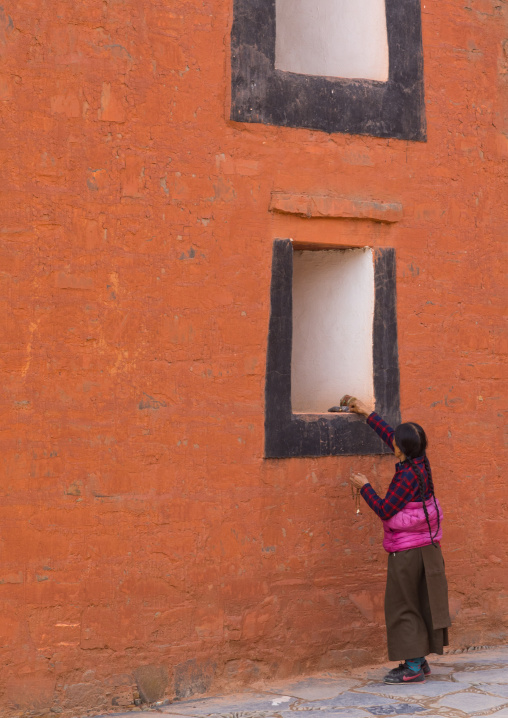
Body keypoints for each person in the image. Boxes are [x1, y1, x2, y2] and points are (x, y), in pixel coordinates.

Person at [347, 396, 451, 684]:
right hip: (428, 547)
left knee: (402, 604)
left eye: (396, 443)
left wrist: (365, 486)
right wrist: (368, 414)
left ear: (401, 451)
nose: (391, 443)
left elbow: (384, 510)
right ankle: (421, 660)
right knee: (420, 600)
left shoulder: (405, 477)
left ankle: (414, 665)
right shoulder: (420, 461)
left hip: (407, 553)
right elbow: (392, 436)